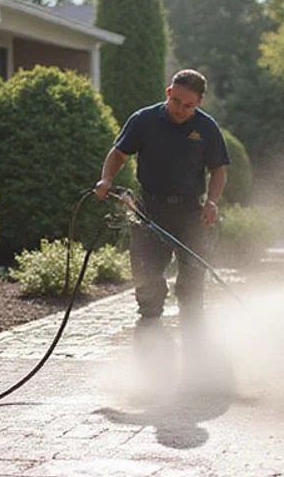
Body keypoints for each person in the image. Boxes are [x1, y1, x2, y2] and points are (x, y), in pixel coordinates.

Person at [93, 69, 231, 325]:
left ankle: (193, 336)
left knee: (192, 280)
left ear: (199, 102)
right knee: (147, 278)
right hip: (149, 210)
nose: (179, 109)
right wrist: (106, 180)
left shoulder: (206, 127)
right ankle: (150, 328)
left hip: (191, 213)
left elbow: (218, 170)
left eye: (188, 105)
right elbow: (119, 154)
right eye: (175, 100)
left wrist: (212, 202)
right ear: (168, 92)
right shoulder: (144, 120)